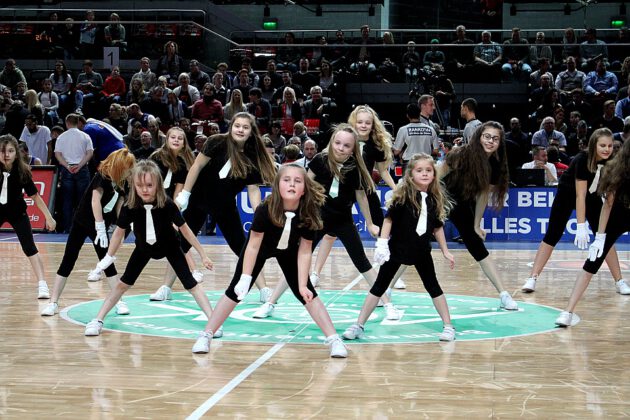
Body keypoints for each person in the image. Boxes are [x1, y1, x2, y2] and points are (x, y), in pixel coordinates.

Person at [191, 164, 348, 357]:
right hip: (261, 248)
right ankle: (206, 334)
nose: (292, 184)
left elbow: (305, 251)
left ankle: (334, 339)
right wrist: (246, 277)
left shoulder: (309, 211)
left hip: (290, 250)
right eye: (286, 180)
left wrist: (301, 285)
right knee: (236, 290)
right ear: (277, 185)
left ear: (304, 188)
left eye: (297, 181)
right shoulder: (265, 208)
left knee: (308, 293)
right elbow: (253, 245)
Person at [252, 124, 400, 320]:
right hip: (317, 219)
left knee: (362, 261)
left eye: (346, 145)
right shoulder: (320, 160)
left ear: (353, 148)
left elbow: (361, 197)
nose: (340, 148)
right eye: (337, 143)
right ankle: (271, 303)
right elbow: (304, 185)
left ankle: (387, 304)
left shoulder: (356, 167)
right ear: (331, 143)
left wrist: (370, 222)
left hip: (343, 220)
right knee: (296, 263)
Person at [153, 113, 277, 303]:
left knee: (243, 248)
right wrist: (185, 193)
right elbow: (196, 166)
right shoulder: (216, 142)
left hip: (225, 206)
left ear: (251, 131)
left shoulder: (253, 156)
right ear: (231, 126)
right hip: (198, 200)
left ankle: (264, 290)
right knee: (180, 245)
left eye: (245, 127)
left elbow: (252, 189)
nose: (240, 130)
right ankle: (166, 288)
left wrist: (258, 210)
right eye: (237, 125)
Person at [83, 160, 216, 337]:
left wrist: (203, 254)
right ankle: (97, 319)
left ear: (158, 185)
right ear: (133, 185)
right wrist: (108, 256)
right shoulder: (129, 206)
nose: (144, 189)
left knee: (191, 285)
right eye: (139, 185)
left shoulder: (168, 204)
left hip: (170, 247)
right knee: (123, 284)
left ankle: (214, 323)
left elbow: (185, 229)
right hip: (143, 248)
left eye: (149, 185)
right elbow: (118, 233)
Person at [342, 153, 456, 342]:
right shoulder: (403, 197)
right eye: (420, 170)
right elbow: (388, 220)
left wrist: (445, 251)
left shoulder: (434, 200)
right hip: (396, 250)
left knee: (433, 287)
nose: (425, 174)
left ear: (434, 175)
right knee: (378, 287)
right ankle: (358, 325)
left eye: (429, 170)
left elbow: (437, 227)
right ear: (411, 175)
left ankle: (448, 326)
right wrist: (382, 244)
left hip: (421, 252)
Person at [522, 128, 628, 294]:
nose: (606, 149)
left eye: (609, 145)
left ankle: (619, 281)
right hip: (567, 194)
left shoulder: (613, 161)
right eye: (602, 145)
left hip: (592, 196)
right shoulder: (582, 159)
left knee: (606, 238)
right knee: (552, 235)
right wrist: (580, 226)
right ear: (594, 145)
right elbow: (580, 195)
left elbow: (609, 196)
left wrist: (600, 235)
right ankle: (532, 277)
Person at [40, 148, 136, 317]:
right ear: (120, 166)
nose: (131, 170)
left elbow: (120, 205)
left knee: (107, 262)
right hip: (83, 222)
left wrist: (125, 224)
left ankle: (118, 301)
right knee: (68, 260)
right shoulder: (103, 176)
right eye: (129, 167)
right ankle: (53, 302)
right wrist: (99, 226)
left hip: (101, 226)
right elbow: (95, 200)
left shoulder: (124, 183)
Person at [440, 121, 519, 310]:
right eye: (487, 136)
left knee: (477, 246)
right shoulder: (462, 153)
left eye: (495, 138)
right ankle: (388, 289)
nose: (490, 141)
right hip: (442, 195)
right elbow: (436, 175)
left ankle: (503, 295)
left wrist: (476, 224)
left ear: (500, 142)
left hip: (463, 202)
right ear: (479, 136)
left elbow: (483, 195)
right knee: (414, 243)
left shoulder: (495, 164)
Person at [555, 139, 630, 326]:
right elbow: (608, 204)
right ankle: (568, 311)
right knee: (592, 262)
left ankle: (568, 312)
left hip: (620, 213)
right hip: (618, 217)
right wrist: (600, 237)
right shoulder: (617, 170)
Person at [0, 134, 56, 299]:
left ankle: (42, 285)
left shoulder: (22, 172)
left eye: (10, 151)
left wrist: (49, 217)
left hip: (17, 213)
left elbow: (36, 197)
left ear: (16, 153)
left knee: (30, 248)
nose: (6, 154)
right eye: (2, 151)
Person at [54, 113, 94, 233]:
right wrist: (80, 165)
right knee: (83, 200)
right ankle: (84, 227)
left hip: (67, 170)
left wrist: (67, 166)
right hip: (81, 169)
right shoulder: (85, 136)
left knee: (67, 200)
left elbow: (57, 154)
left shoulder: (62, 137)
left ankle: (68, 228)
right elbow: (90, 153)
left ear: (67, 123)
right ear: (78, 122)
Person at [394, 102, 439, 172]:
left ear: (407, 115)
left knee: (408, 183)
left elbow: (396, 151)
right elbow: (436, 151)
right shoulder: (431, 129)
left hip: (409, 164)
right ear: (419, 114)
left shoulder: (403, 129)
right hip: (426, 163)